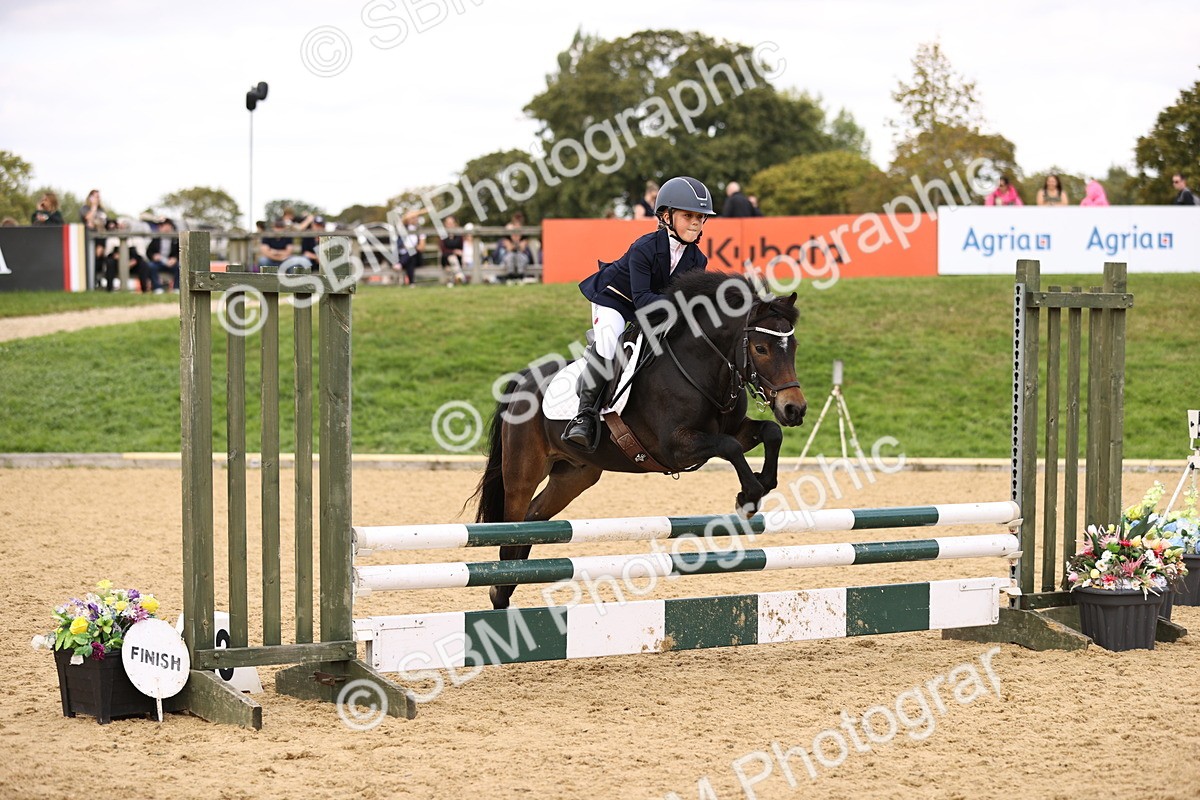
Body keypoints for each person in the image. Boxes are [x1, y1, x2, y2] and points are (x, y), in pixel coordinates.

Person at [562, 176, 715, 451]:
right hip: (615, 300)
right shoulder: (644, 248)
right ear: (666, 216)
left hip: (653, 306)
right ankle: (583, 416)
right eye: (689, 215)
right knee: (609, 344)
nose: (696, 222)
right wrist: (681, 307)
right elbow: (643, 300)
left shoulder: (697, 259)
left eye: (701, 217)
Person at [147, 218, 181, 290]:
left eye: (167, 226)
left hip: (171, 263)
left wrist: (175, 259)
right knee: (151, 266)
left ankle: (176, 288)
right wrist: (154, 256)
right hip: (159, 263)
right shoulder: (156, 239)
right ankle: (157, 288)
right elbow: (149, 252)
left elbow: (180, 252)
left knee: (180, 266)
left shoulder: (175, 239)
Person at [439, 215, 468, 285]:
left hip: (458, 259)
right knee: (452, 258)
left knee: (455, 260)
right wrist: (453, 251)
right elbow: (443, 250)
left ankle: (451, 281)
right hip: (445, 259)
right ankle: (460, 277)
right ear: (445, 224)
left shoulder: (459, 235)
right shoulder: (443, 235)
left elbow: (461, 249)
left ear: (455, 224)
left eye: (451, 223)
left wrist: (457, 253)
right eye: (448, 223)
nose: (450, 225)